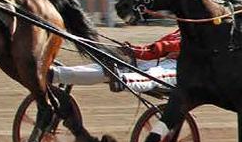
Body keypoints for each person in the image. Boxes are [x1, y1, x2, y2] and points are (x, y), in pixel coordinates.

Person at [51, 29, 180, 94]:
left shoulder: (198, 28)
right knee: (110, 67)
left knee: (153, 74)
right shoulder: (181, 30)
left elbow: (166, 47)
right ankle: (56, 74)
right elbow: (155, 48)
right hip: (161, 61)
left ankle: (123, 80)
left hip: (182, 69)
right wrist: (133, 50)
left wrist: (140, 51)